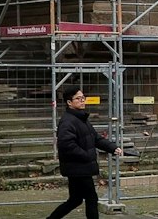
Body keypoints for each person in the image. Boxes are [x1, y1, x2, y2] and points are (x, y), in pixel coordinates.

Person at [46, 88, 117, 219]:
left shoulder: (81, 119)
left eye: (83, 97)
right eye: (78, 98)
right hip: (78, 167)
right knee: (91, 198)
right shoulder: (68, 121)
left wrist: (112, 148)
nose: (82, 100)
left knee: (75, 199)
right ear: (69, 102)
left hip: (80, 167)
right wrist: (87, 156)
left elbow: (95, 138)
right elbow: (66, 145)